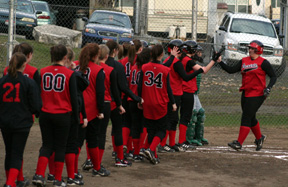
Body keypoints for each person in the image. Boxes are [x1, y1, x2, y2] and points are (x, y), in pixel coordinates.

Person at [32, 44, 79, 187]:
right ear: (65, 57)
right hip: (62, 114)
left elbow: (38, 94)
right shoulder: (70, 74)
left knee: (46, 145)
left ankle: (39, 175)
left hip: (46, 113)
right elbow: (73, 98)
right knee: (60, 147)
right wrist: (76, 117)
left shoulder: (43, 71)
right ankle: (57, 180)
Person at [218, 40, 277, 151]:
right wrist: (220, 62)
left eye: (252, 48)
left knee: (246, 117)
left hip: (258, 93)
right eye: (249, 48)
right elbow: (231, 70)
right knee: (251, 117)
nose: (250, 50)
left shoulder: (263, 62)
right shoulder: (244, 61)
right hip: (246, 92)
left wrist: (268, 88)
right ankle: (260, 138)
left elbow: (273, 76)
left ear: (258, 50)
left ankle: (239, 143)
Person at [0, 52, 41, 187]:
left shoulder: (2, 80)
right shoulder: (28, 82)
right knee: (17, 153)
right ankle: (10, 183)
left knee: (9, 151)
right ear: (24, 65)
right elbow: (36, 105)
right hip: (22, 122)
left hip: (5, 121)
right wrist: (34, 112)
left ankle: (9, 180)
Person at [105, 40, 142, 167]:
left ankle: (92, 160)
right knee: (120, 127)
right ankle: (121, 155)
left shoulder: (100, 65)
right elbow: (122, 86)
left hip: (101, 102)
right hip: (117, 99)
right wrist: (136, 98)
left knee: (99, 132)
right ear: (115, 50)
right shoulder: (123, 64)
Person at [137, 44, 176, 165]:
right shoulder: (165, 69)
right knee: (162, 129)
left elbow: (140, 86)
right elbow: (168, 89)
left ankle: (150, 152)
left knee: (151, 129)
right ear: (161, 55)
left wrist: (140, 100)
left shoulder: (144, 67)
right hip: (160, 103)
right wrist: (173, 102)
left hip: (147, 102)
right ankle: (150, 149)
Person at [97, 44, 125, 173]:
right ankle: (119, 158)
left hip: (96, 104)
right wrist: (120, 104)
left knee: (94, 134)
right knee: (117, 129)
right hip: (110, 102)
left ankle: (92, 160)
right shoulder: (114, 68)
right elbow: (117, 89)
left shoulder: (92, 67)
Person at [128, 47, 151, 162]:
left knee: (134, 126)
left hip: (131, 98)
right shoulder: (145, 69)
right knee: (141, 127)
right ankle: (139, 151)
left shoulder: (134, 67)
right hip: (140, 100)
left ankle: (134, 151)